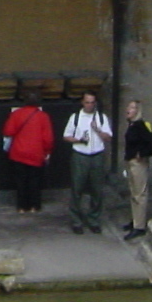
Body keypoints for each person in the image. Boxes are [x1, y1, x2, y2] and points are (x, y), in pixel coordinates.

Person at [62, 90, 113, 233]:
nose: (90, 105)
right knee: (77, 188)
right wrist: (79, 140)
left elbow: (108, 138)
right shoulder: (76, 117)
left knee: (97, 189)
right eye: (87, 102)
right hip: (80, 155)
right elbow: (66, 136)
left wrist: (97, 130)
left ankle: (94, 219)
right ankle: (76, 221)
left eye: (92, 102)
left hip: (97, 155)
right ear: (82, 103)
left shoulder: (101, 118)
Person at [1, 89, 54, 212]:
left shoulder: (17, 114)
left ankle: (21, 206)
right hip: (36, 153)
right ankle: (34, 206)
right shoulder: (43, 117)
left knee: (21, 180)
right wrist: (47, 152)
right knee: (34, 180)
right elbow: (48, 138)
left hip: (18, 152)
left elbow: (8, 131)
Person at [120, 99, 152, 240]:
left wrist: (141, 154)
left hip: (138, 163)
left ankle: (139, 226)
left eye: (132, 107)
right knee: (134, 193)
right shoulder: (132, 125)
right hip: (130, 161)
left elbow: (151, 142)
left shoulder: (142, 125)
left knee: (140, 194)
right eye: (128, 106)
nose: (128, 109)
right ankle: (136, 220)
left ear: (138, 111)